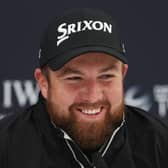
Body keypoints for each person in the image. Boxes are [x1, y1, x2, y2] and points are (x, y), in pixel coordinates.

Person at [0, 8, 168, 168]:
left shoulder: (159, 142)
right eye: (74, 78)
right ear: (44, 83)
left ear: (122, 74)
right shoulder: (6, 147)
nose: (92, 96)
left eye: (106, 76)